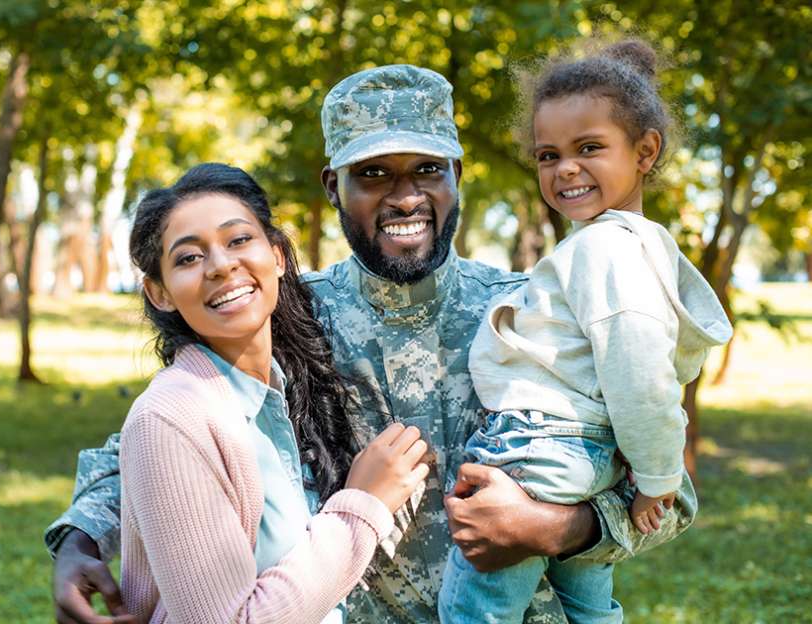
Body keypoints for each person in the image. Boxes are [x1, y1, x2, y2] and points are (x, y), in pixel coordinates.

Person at [46, 65, 698, 624]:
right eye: (375, 173)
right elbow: (164, 439)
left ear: (457, 176)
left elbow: (670, 495)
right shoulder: (284, 315)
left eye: (426, 170)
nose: (405, 195)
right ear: (334, 186)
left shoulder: (535, 310)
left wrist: (553, 527)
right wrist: (79, 538)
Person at [437, 40, 732, 623]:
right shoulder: (637, 248)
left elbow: (640, 378)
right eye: (548, 155)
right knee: (592, 609)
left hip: (537, 448)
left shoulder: (603, 251)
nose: (565, 168)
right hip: (587, 458)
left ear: (646, 151)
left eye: (589, 148)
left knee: (476, 610)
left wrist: (656, 480)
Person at [115, 162, 429, 623]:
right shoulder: (171, 417)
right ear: (159, 293)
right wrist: (365, 505)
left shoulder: (283, 384)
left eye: (238, 240)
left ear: (278, 256)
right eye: (188, 258)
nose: (221, 266)